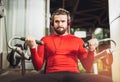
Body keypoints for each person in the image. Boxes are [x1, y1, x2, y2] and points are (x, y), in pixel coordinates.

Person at [12, 8, 113, 82]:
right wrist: (33, 47)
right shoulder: (44, 40)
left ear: (68, 23)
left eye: (63, 21)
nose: (60, 24)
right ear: (52, 23)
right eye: (57, 21)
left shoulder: (77, 40)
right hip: (51, 76)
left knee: (106, 80)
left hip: (74, 76)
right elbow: (38, 67)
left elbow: (87, 66)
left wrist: (91, 50)